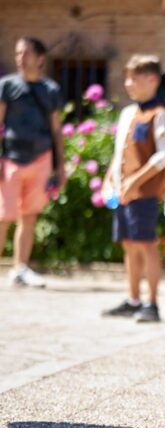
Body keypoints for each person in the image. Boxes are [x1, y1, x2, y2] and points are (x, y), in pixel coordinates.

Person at [101, 55, 165, 322]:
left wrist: (136, 180)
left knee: (146, 244)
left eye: (134, 78)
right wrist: (110, 179)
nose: (128, 83)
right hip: (122, 193)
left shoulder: (160, 115)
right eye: (126, 77)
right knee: (129, 244)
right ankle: (133, 299)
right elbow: (119, 151)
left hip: (143, 193)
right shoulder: (127, 113)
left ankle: (151, 303)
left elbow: (164, 155)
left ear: (151, 79)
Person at [0, 37, 65, 288]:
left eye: (26, 53)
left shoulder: (50, 90)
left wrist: (60, 166)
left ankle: (20, 268)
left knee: (29, 216)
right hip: (10, 160)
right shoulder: (6, 86)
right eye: (17, 53)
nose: (20, 58)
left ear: (40, 58)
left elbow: (57, 131)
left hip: (41, 159)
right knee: (3, 215)